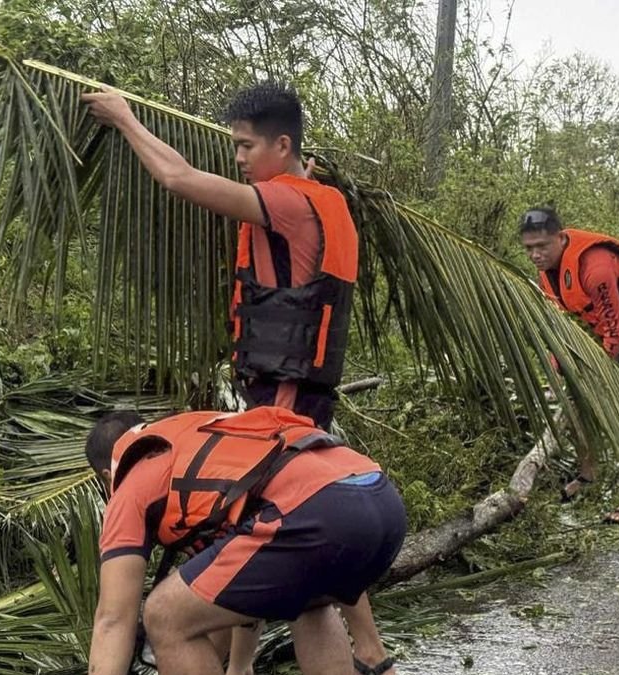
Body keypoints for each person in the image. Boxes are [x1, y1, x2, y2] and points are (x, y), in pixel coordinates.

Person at [83, 83, 394, 674]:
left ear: (284, 145)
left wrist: (124, 118)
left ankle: (338, 656)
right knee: (310, 595)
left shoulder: (292, 202)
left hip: (282, 414)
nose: (238, 159)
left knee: (194, 594)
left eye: (246, 147)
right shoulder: (323, 201)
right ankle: (325, 660)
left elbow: (177, 179)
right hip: (305, 415)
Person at [85, 407, 407, 675]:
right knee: (312, 602)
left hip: (314, 511)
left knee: (164, 614)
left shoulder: (129, 486)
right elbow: (232, 602)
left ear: (107, 476)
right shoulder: (200, 434)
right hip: (380, 497)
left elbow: (113, 621)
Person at [518, 207, 619, 524]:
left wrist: (598, 372)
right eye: (529, 248)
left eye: (542, 246)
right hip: (608, 332)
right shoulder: (547, 275)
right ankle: (589, 475)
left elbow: (615, 333)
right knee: (579, 400)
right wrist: (558, 364)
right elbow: (564, 324)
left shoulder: (595, 266)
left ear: (561, 238)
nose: (536, 254)